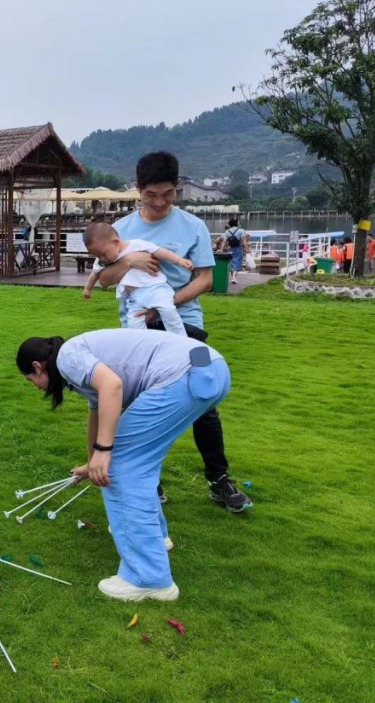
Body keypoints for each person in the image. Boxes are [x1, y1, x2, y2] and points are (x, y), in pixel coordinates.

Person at [16, 330, 231, 601]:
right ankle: (157, 538)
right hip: (210, 368)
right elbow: (99, 409)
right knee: (138, 463)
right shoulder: (76, 360)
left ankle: (148, 577)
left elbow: (112, 386)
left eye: (30, 379)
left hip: (182, 376)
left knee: (119, 467)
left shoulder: (67, 357)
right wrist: (92, 461)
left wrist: (104, 452)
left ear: (37, 367)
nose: (34, 386)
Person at [93, 152, 251, 512]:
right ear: (138, 189)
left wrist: (164, 303)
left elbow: (206, 279)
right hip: (136, 330)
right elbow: (103, 280)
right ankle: (149, 482)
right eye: (151, 195)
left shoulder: (192, 226)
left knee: (204, 398)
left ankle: (219, 480)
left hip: (186, 323)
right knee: (135, 403)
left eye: (168, 194)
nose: (160, 202)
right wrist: (129, 261)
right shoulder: (120, 230)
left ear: (177, 187)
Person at [82, 222, 193, 336]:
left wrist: (179, 260)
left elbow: (159, 251)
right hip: (134, 298)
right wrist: (87, 289)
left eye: (103, 254)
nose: (101, 258)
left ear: (116, 243)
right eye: (97, 256)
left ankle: (180, 339)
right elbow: (95, 273)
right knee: (134, 324)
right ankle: (142, 345)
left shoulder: (137, 244)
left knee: (168, 310)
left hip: (155, 288)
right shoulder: (103, 258)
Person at [218, 218, 250, 284]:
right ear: (237, 223)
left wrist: (221, 250)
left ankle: (233, 277)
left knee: (232, 263)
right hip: (238, 248)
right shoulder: (241, 230)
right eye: (238, 222)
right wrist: (247, 249)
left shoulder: (227, 231)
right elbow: (244, 241)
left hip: (230, 249)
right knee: (237, 262)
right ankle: (234, 277)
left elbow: (224, 241)